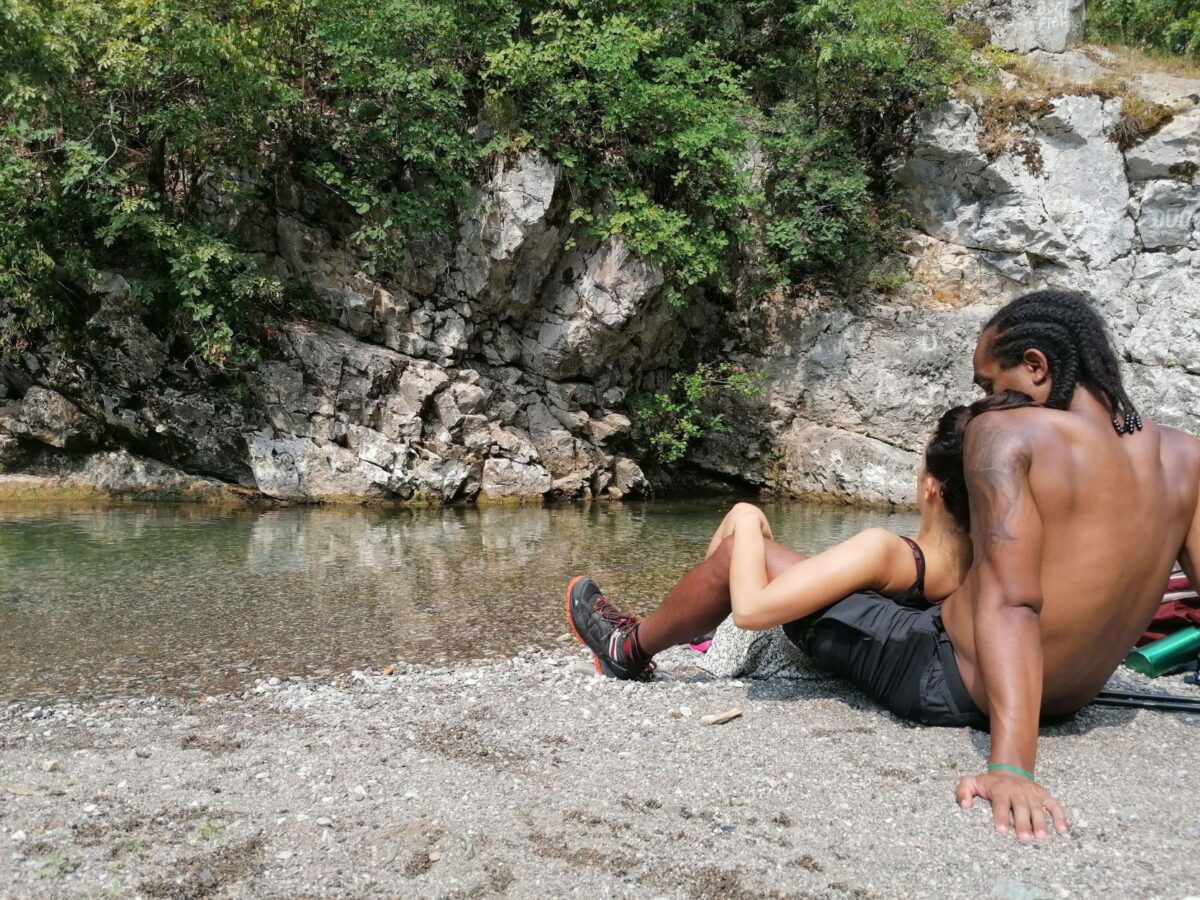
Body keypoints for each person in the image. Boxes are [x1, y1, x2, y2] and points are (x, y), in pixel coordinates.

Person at [567, 290, 1200, 843]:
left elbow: (1014, 602)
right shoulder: (1184, 456)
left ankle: (630, 646)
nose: (981, 404)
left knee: (744, 553)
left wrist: (1011, 767)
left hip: (944, 676)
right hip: (1069, 693)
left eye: (988, 386)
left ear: (1036, 366)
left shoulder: (1011, 435)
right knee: (854, 575)